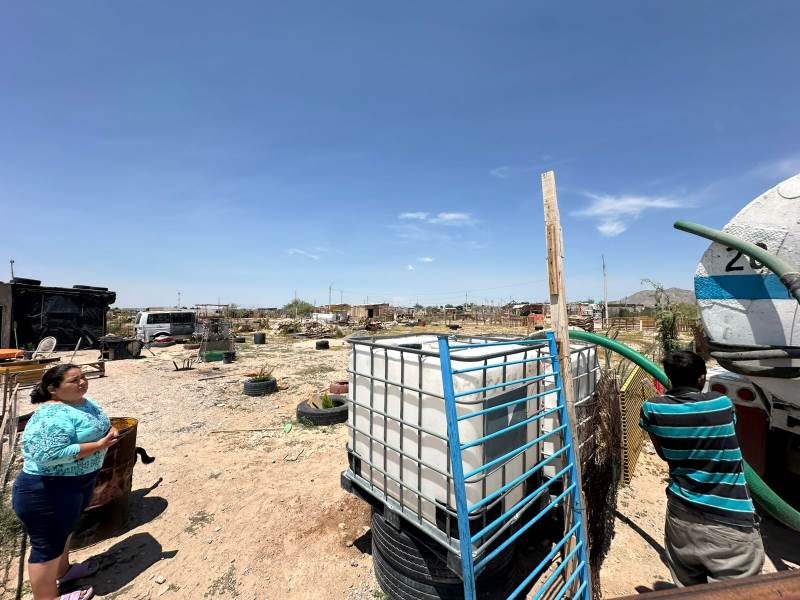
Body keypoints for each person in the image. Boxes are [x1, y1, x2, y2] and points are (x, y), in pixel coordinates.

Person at [639, 350, 764, 587]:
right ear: (701, 378)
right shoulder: (721, 403)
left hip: (681, 517)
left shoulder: (652, 409)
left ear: (669, 379)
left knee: (690, 591)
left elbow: (664, 453)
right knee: (736, 593)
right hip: (730, 520)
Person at [12, 364, 119, 600]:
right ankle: (47, 597)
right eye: (74, 380)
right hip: (48, 488)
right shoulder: (50, 415)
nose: (82, 382)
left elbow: (99, 422)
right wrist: (99, 446)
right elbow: (48, 455)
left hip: (75, 483)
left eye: (83, 377)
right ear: (53, 389)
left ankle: (64, 572)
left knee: (65, 532)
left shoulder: (82, 402)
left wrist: (109, 429)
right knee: (47, 547)